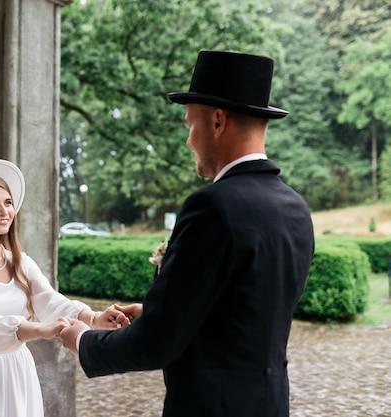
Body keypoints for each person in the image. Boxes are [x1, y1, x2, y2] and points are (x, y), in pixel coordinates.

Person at [59, 50, 315, 417]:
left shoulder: (213, 206)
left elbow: (156, 344)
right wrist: (161, 311)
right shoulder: (295, 208)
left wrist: (82, 340)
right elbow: (245, 313)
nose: (188, 141)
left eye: (189, 124)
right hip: (269, 403)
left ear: (217, 121)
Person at [0, 159, 129, 417]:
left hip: (19, 369)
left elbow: (50, 301)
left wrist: (94, 317)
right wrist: (42, 329)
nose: (4, 211)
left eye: (7, 202)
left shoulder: (20, 262)